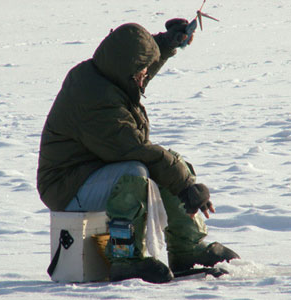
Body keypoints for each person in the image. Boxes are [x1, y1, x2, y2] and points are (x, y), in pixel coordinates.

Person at [37, 18, 239, 284]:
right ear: (128, 70)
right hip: (65, 187)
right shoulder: (96, 101)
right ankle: (126, 259)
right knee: (136, 172)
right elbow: (132, 149)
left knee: (168, 165)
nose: (146, 74)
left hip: (91, 170)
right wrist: (186, 184)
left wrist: (166, 44)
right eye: (142, 70)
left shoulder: (104, 75)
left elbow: (132, 67)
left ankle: (188, 250)